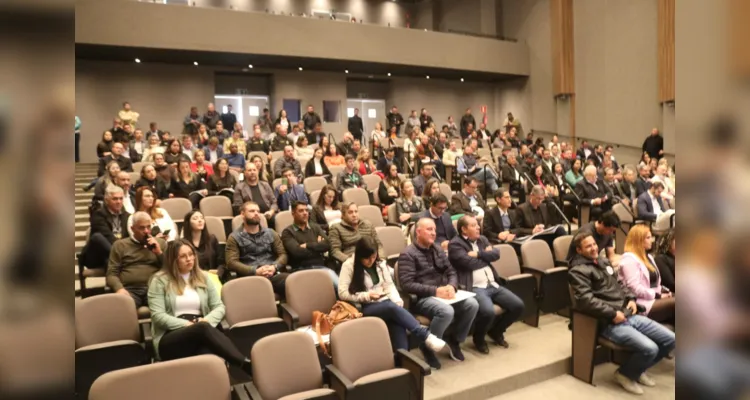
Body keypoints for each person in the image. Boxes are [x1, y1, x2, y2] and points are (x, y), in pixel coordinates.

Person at [568, 232, 674, 395]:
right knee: (650, 349)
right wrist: (612, 314)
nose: (594, 248)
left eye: (594, 244)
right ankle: (625, 374)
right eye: (588, 246)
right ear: (579, 250)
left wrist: (631, 299)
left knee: (670, 339)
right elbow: (586, 301)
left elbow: (620, 285)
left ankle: (637, 370)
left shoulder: (603, 262)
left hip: (629, 313)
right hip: (608, 322)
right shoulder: (577, 271)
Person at [147, 239, 252, 373]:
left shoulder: (204, 277)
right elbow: (158, 316)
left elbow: (219, 307)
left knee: (209, 359)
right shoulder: (159, 281)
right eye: (183, 256)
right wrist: (188, 325)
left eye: (191, 254)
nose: (189, 259)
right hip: (171, 336)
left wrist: (207, 320)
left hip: (202, 330)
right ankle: (245, 364)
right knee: (202, 329)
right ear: (172, 259)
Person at [338, 237, 446, 353]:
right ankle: (425, 335)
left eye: (373, 257)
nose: (371, 261)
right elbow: (342, 293)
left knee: (397, 321)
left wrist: (397, 301)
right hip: (364, 306)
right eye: (367, 258)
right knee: (391, 308)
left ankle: (403, 359)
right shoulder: (349, 266)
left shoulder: (380, 263)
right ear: (359, 256)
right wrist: (367, 295)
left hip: (385, 303)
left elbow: (389, 285)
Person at [398, 218, 480, 369]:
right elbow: (407, 284)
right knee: (446, 311)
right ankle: (427, 346)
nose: (434, 233)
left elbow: (451, 271)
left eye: (435, 230)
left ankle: (455, 340)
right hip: (423, 298)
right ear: (418, 232)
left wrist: (452, 286)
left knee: (472, 304)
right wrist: (435, 291)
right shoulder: (408, 254)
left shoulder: (437, 249)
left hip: (444, 293)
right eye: (429, 229)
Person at [449, 215, 525, 352]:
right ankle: (479, 338)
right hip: (475, 287)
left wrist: (478, 254)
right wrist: (486, 255)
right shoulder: (455, 244)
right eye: (473, 225)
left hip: (493, 284)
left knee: (518, 305)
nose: (478, 227)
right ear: (464, 230)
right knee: (488, 312)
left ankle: (496, 331)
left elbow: (496, 254)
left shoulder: (482, 239)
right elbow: (468, 263)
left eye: (478, 224)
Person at [226, 202, 289, 296]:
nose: (256, 213)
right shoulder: (234, 237)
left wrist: (274, 267)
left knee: (292, 281)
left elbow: (283, 254)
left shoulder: (271, 233)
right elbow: (231, 262)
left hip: (272, 274)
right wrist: (255, 270)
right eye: (252, 211)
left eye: (258, 211)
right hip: (250, 277)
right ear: (242, 214)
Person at [618, 225, 675, 325]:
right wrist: (658, 296)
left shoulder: (648, 256)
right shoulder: (629, 260)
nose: (652, 240)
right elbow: (635, 289)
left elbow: (655, 284)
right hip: (640, 303)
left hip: (652, 299)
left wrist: (665, 291)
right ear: (639, 240)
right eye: (648, 238)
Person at [108, 211, 166, 308]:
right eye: (142, 228)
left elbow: (170, 270)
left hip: (154, 288)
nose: (146, 231)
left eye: (148, 227)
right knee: (122, 308)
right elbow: (111, 274)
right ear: (132, 229)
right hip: (130, 290)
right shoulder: (120, 245)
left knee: (167, 305)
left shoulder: (160, 243)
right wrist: (119, 289)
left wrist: (159, 253)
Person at [281, 201, 339, 290]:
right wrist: (318, 246)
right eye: (301, 211)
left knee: (339, 287)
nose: (305, 213)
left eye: (306, 210)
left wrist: (308, 245)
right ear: (293, 214)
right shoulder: (288, 232)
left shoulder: (315, 227)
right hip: (300, 270)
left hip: (321, 267)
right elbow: (297, 252)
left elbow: (327, 244)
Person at [82, 185, 130, 268]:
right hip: (98, 255)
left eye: (121, 198)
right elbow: (107, 236)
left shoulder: (127, 216)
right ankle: (122, 258)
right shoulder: (98, 215)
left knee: (110, 262)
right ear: (107, 200)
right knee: (97, 237)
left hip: (114, 256)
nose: (118, 201)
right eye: (115, 199)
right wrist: (122, 251)